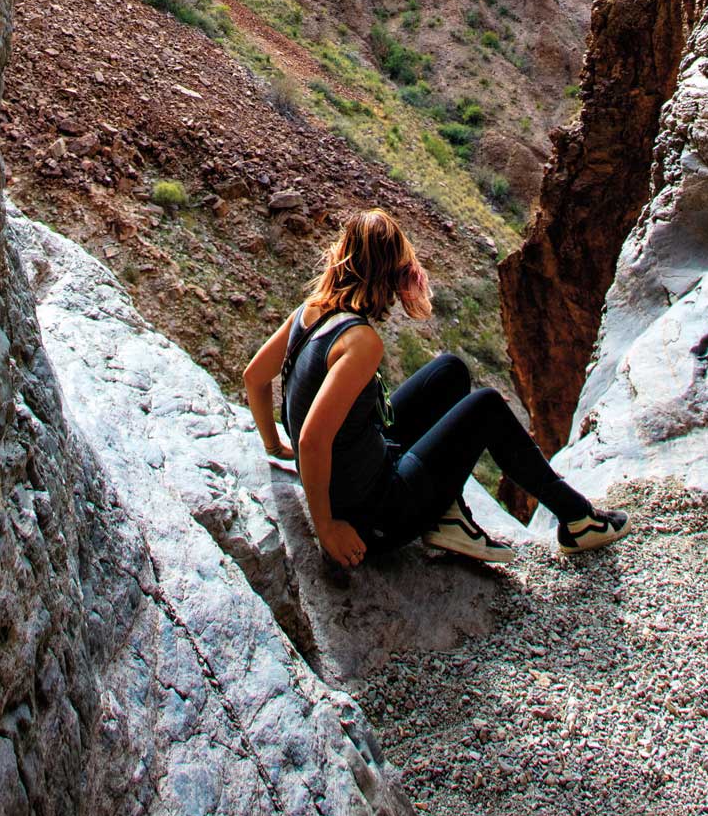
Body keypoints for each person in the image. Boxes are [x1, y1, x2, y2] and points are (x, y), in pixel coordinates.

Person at [242, 206, 626, 567]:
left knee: (449, 371)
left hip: (363, 469)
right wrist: (327, 529)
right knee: (488, 407)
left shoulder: (309, 312)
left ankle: (448, 518)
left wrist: (274, 445)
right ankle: (578, 520)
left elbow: (254, 377)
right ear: (390, 273)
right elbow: (312, 440)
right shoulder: (360, 342)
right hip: (375, 515)